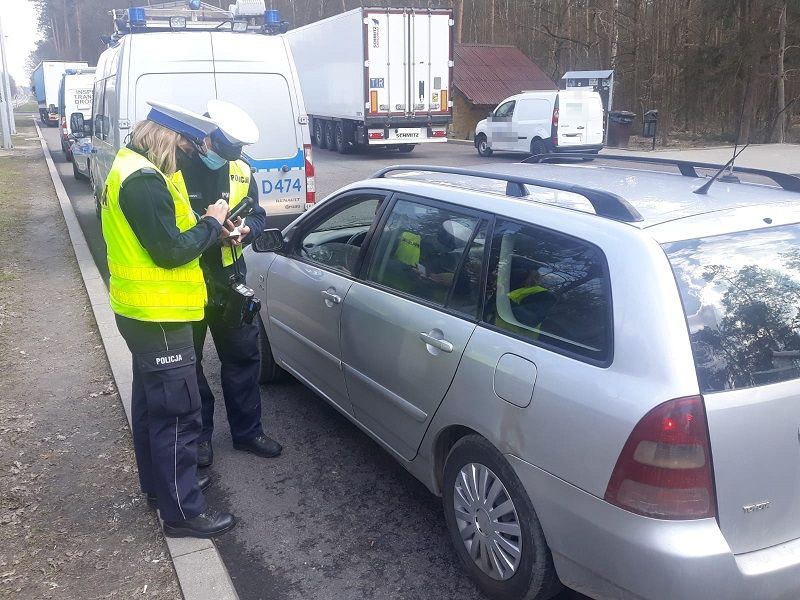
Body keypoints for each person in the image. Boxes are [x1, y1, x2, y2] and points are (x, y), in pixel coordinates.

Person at [102, 100, 237, 538]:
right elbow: (171, 250)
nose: (186, 159)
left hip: (142, 311)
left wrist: (201, 222)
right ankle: (183, 513)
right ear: (169, 139)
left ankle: (161, 490)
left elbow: (163, 232)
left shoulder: (133, 167)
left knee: (150, 407)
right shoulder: (143, 181)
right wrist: (212, 225)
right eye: (185, 149)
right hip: (158, 315)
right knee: (178, 415)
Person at [175, 99, 282, 468]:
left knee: (243, 358)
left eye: (233, 152)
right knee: (189, 366)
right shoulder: (172, 167)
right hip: (186, 281)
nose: (224, 158)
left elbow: (256, 210)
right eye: (221, 149)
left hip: (229, 281)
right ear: (204, 137)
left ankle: (248, 432)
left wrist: (247, 229)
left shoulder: (240, 169)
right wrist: (207, 229)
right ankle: (199, 438)